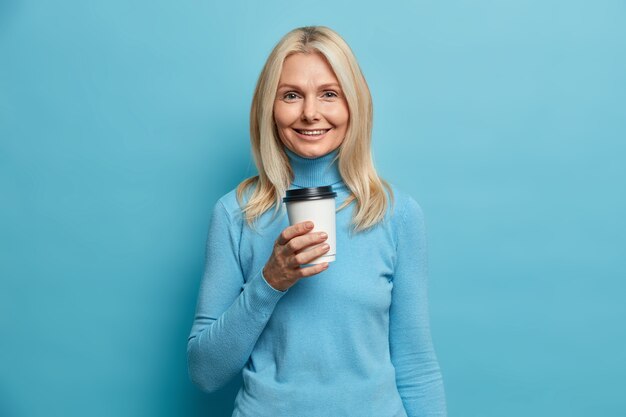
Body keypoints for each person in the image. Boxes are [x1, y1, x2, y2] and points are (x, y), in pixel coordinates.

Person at [187, 25, 448, 417]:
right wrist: (270, 282)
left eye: (329, 94)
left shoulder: (396, 214)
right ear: (269, 109)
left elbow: (416, 365)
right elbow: (205, 372)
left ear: (353, 105)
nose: (310, 112)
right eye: (291, 95)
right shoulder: (235, 214)